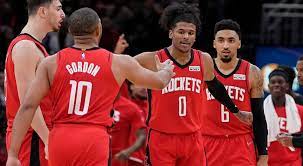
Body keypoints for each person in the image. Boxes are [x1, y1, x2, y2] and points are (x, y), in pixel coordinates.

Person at [6, 7, 175, 166]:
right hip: (93, 138)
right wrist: (166, 70)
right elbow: (159, 82)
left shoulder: (51, 62)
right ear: (98, 30)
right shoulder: (118, 62)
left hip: (61, 137)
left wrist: (13, 154)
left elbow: (28, 106)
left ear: (71, 32)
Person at [134, 4, 252, 166]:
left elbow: (216, 88)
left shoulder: (203, 59)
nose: (186, 37)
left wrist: (236, 112)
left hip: (193, 138)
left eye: (191, 33)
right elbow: (116, 71)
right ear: (171, 33)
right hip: (161, 138)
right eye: (181, 32)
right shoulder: (152, 59)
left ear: (195, 36)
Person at [4, 0, 65, 165]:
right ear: (43, 12)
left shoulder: (33, 46)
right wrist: (48, 140)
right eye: (58, 8)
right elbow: (27, 104)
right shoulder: (26, 47)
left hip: (35, 138)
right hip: (32, 140)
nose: (63, 14)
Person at [201, 19, 268, 166]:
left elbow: (258, 116)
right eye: (221, 40)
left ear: (239, 43)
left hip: (241, 143)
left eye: (231, 40)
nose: (225, 45)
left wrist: (263, 154)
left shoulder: (252, 72)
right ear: (214, 44)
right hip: (207, 142)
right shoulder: (202, 69)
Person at [264, 69, 303, 166]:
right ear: (268, 86)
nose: (276, 84)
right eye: (273, 82)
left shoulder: (300, 110)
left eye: (280, 82)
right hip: (267, 163)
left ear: (287, 86)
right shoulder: (260, 111)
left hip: (293, 162)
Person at [110, 94, 146, 166]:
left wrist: (129, 151)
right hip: (97, 153)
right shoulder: (97, 103)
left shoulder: (131, 107)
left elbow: (142, 135)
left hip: (118, 157)